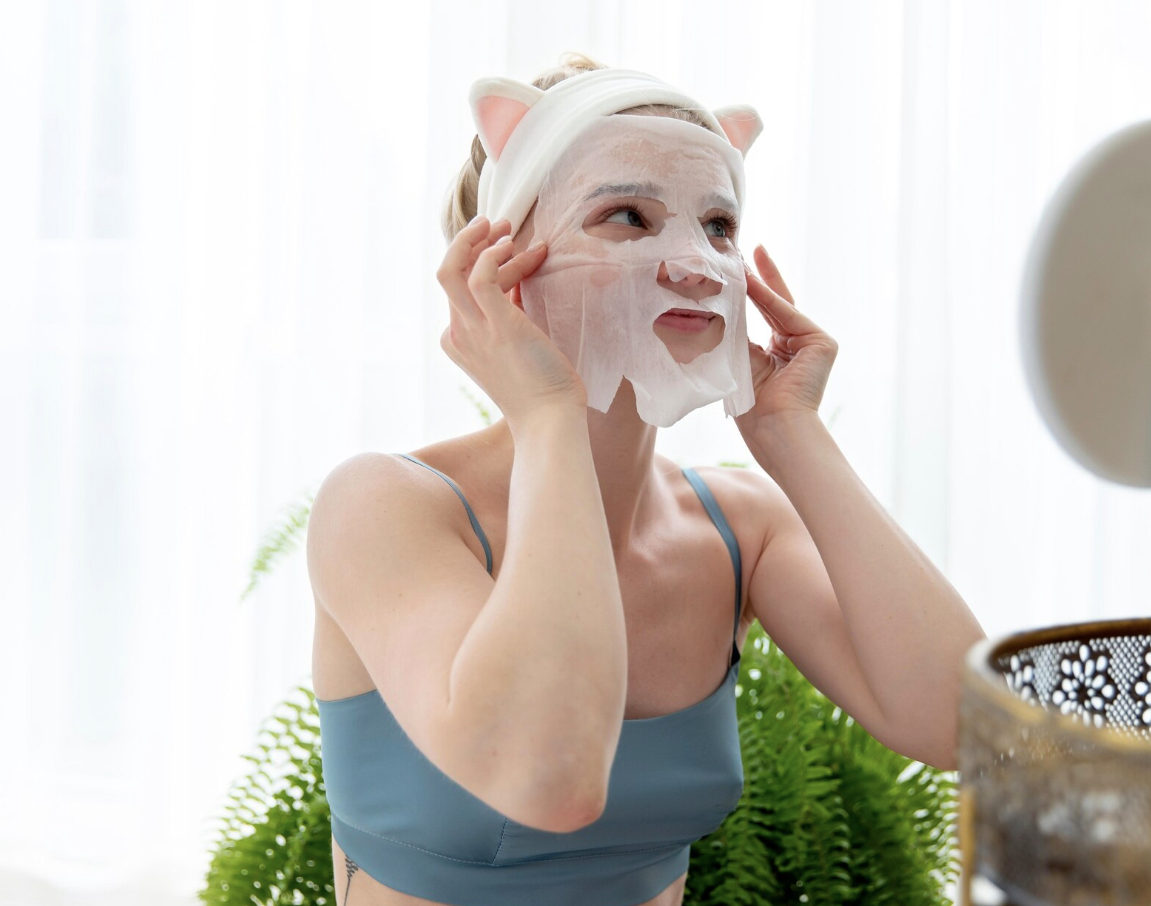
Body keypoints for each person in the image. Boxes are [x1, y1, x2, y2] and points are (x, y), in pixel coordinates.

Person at [307, 52, 985, 906]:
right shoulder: (384, 509)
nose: (694, 261)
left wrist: (791, 432)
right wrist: (547, 414)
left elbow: (965, 726)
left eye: (718, 225)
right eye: (627, 215)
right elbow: (549, 780)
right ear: (500, 261)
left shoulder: (740, 529)